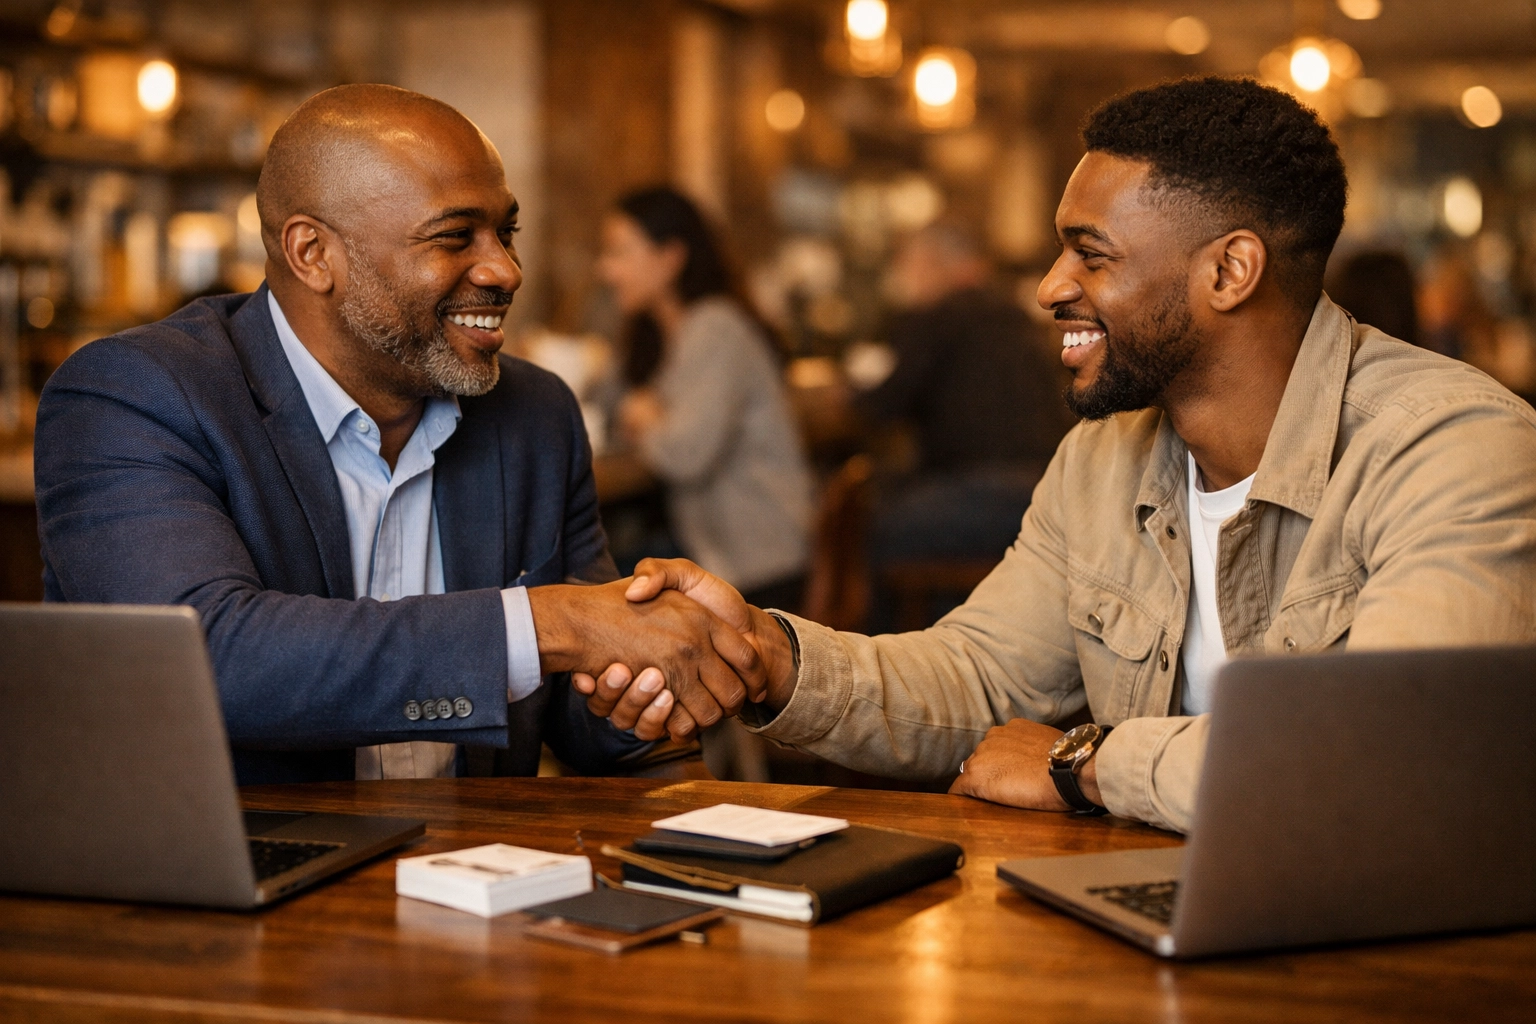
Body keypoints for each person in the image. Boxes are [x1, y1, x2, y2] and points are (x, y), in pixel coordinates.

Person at [580, 76, 1536, 834]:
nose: (1048, 287)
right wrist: (771, 656)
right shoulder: (1103, 457)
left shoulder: (1454, 444)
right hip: (1144, 914)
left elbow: (1381, 759)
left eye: (1092, 254)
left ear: (1228, 272)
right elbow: (981, 679)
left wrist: (1084, 762)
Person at [33, 85, 751, 785]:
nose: (506, 268)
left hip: (479, 880)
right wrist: (553, 624)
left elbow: (585, 717)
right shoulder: (135, 394)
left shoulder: (534, 416)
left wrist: (647, 680)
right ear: (313, 253)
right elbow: (200, 658)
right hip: (226, 884)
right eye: (453, 236)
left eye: (505, 231)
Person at [597, 186, 812, 611]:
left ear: (670, 257)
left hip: (761, 566)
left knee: (604, 590)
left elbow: (686, 454)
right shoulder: (662, 336)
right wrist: (641, 411)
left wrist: (646, 416)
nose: (606, 270)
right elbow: (610, 403)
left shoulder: (716, 329)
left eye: (619, 252)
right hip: (717, 559)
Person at [860, 221, 1073, 569]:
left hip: (980, 493)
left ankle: (887, 625)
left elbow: (883, 406)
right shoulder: (1014, 315)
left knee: (870, 526)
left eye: (910, 265)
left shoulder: (939, 315)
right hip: (1043, 491)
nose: (906, 279)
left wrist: (843, 398)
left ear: (934, 264)